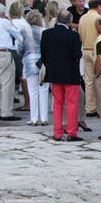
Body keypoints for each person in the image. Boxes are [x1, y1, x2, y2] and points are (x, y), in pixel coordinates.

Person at [40, 11, 83, 141]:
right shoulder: (73, 35)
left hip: (54, 72)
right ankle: (71, 132)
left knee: (57, 104)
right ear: (70, 22)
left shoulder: (47, 34)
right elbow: (77, 54)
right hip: (70, 73)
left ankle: (57, 132)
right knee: (71, 104)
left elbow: (43, 54)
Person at [20, 10, 49, 127]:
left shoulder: (24, 31)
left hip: (29, 61)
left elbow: (19, 47)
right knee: (44, 89)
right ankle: (44, 118)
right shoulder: (45, 31)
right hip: (43, 62)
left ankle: (34, 118)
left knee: (32, 91)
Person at [77, 0, 101, 122]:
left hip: (85, 49)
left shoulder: (83, 18)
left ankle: (90, 107)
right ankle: (100, 107)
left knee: (89, 81)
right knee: (99, 79)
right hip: (96, 50)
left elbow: (80, 35)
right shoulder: (98, 18)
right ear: (99, 7)